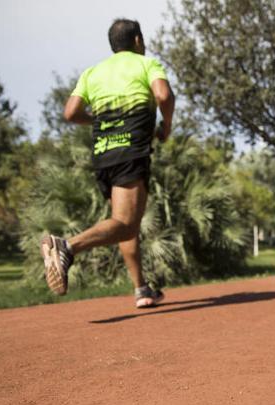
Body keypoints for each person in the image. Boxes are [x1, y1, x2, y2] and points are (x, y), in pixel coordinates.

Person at [40, 18, 174, 308]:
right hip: (131, 150)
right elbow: (163, 94)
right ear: (137, 40)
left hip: (103, 153)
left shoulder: (93, 72)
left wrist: (98, 121)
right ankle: (67, 246)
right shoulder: (146, 64)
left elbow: (70, 112)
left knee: (125, 220)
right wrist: (166, 125)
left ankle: (141, 289)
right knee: (125, 224)